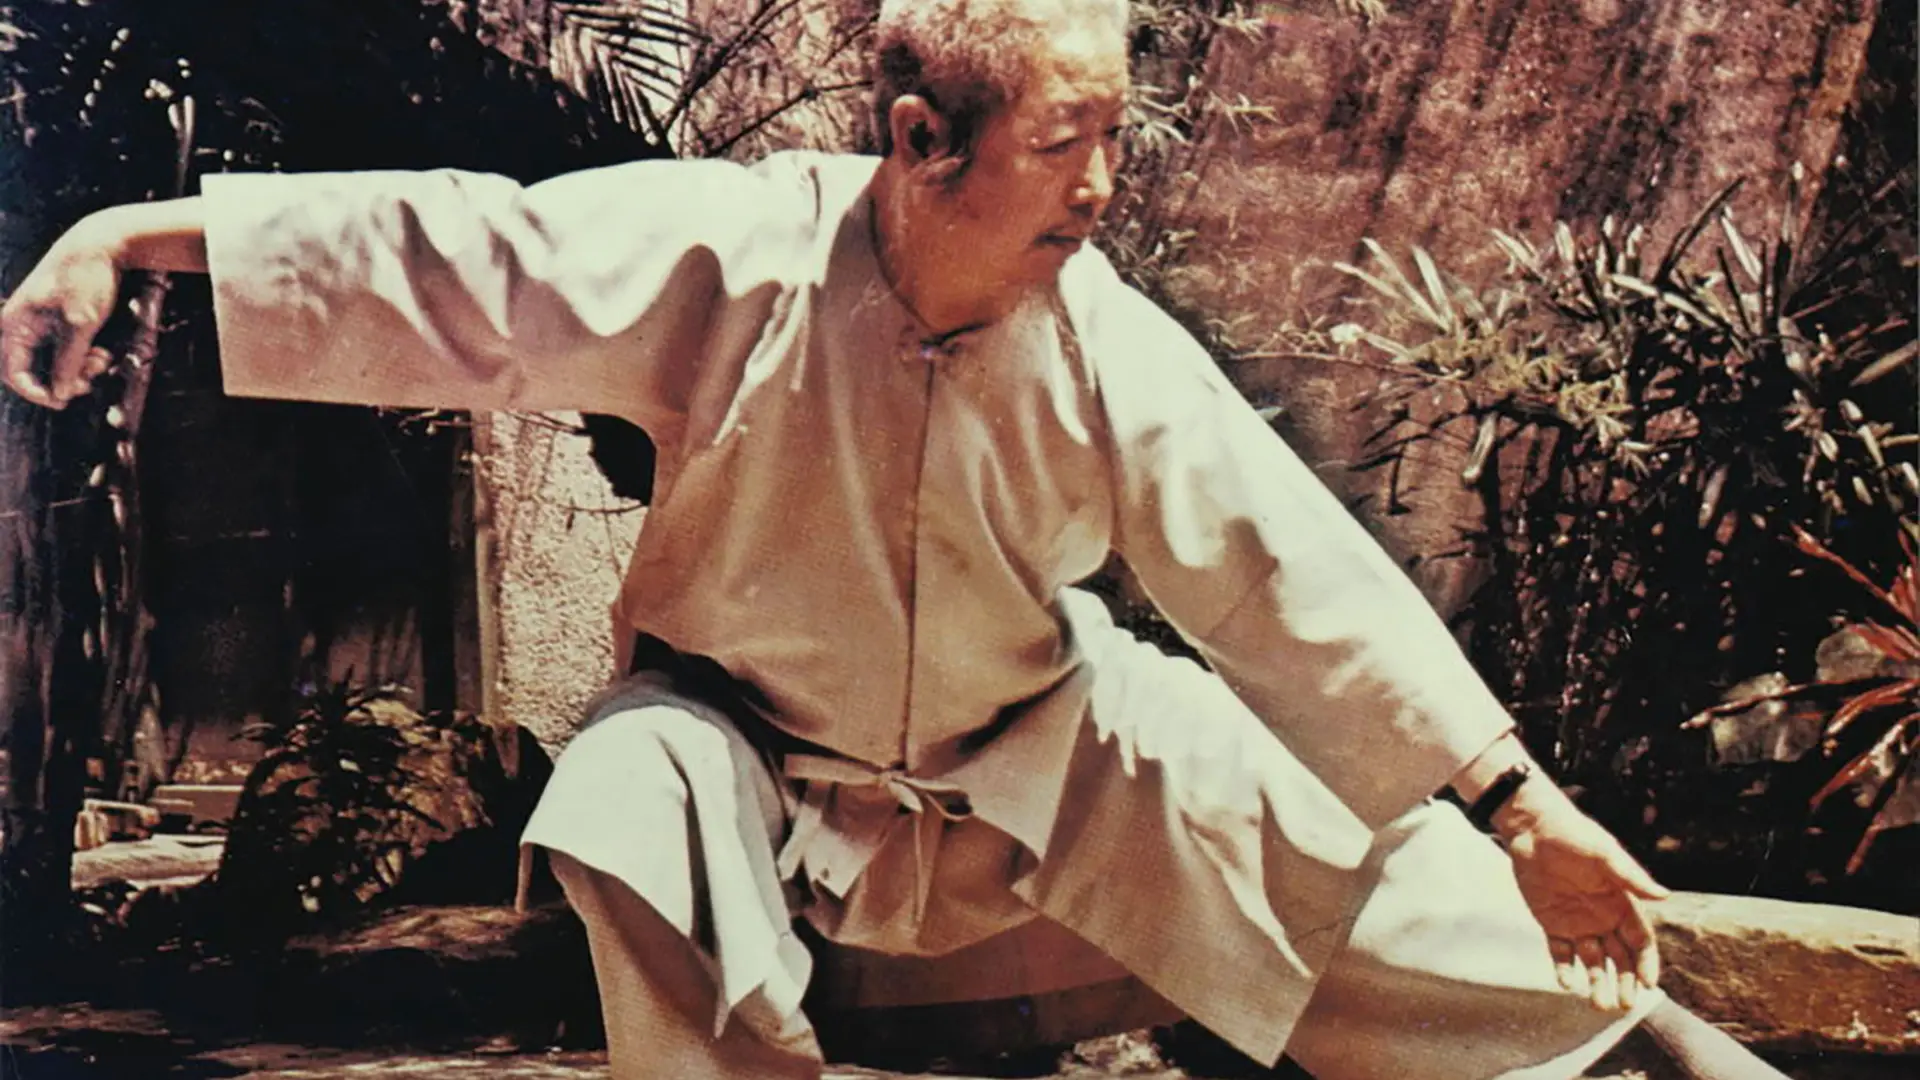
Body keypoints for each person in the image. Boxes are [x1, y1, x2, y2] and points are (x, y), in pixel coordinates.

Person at [3, 2, 1793, 1078]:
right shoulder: (733, 254)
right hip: (749, 769)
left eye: (1119, 140)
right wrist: (124, 234)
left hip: (1032, 766)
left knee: (1296, 818)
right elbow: (472, 255)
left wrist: (1521, 810)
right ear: (926, 142)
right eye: (1072, 143)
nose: (1107, 187)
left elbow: (1281, 574)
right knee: (624, 789)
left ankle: (1633, 1061)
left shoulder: (1099, 337)